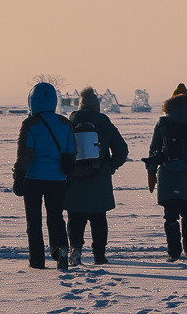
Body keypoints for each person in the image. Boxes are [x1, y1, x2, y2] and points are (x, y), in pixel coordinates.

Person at [64, 88, 129, 266]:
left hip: (75, 181)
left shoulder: (69, 124)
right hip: (99, 180)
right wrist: (110, 167)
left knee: (75, 218)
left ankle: (75, 251)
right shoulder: (105, 124)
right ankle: (99, 255)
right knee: (99, 219)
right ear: (97, 106)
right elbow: (122, 151)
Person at [147, 85, 187, 260]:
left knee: (170, 216)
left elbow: (154, 150)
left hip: (168, 175)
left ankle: (173, 252)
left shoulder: (163, 123)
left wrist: (151, 174)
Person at [15, 82, 74, 269]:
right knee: (56, 218)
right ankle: (61, 250)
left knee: (34, 222)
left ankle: (37, 261)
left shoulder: (30, 124)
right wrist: (69, 177)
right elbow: (71, 153)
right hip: (57, 179)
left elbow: (25, 154)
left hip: (33, 179)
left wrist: (18, 178)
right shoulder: (65, 123)